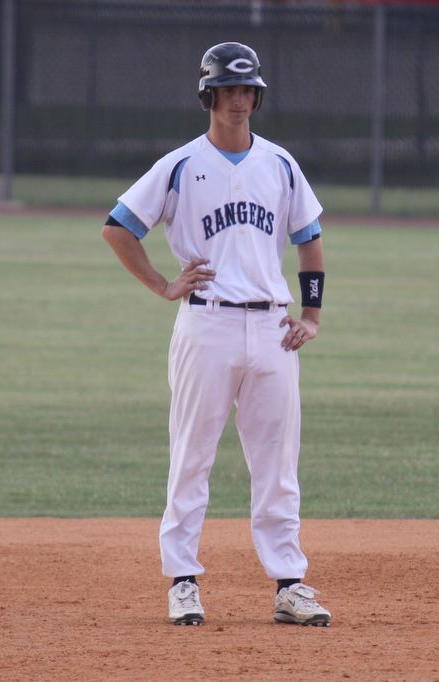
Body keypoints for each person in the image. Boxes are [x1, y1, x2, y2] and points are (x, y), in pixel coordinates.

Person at [101, 41, 330, 627]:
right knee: (192, 456)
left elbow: (309, 240)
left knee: (278, 463)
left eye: (247, 90)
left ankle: (289, 584)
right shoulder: (181, 164)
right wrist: (162, 285)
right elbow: (119, 227)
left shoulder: (279, 163)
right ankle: (183, 582)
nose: (238, 100)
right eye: (228, 89)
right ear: (209, 95)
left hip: (273, 329)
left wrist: (311, 316)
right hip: (206, 324)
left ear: (257, 97)